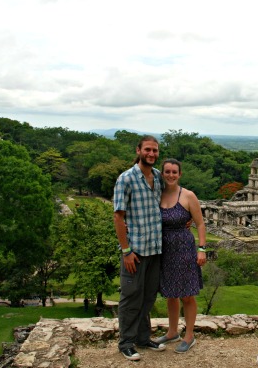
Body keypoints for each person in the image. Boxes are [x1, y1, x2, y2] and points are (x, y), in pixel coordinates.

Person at [113, 135, 166, 361]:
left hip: (155, 249)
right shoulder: (126, 179)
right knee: (131, 297)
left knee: (148, 297)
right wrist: (126, 250)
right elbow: (118, 216)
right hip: (135, 251)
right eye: (147, 150)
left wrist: (187, 218)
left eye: (155, 150)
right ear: (138, 151)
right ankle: (126, 342)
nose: (151, 154)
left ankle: (143, 338)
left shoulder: (157, 177)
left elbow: (168, 203)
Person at [154, 158, 207, 353]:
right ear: (162, 173)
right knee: (170, 294)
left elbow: (200, 223)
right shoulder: (157, 195)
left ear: (180, 174)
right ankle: (172, 332)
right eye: (167, 171)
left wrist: (202, 248)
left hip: (184, 249)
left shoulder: (188, 196)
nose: (170, 175)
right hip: (165, 250)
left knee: (186, 294)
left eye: (174, 172)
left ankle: (189, 335)